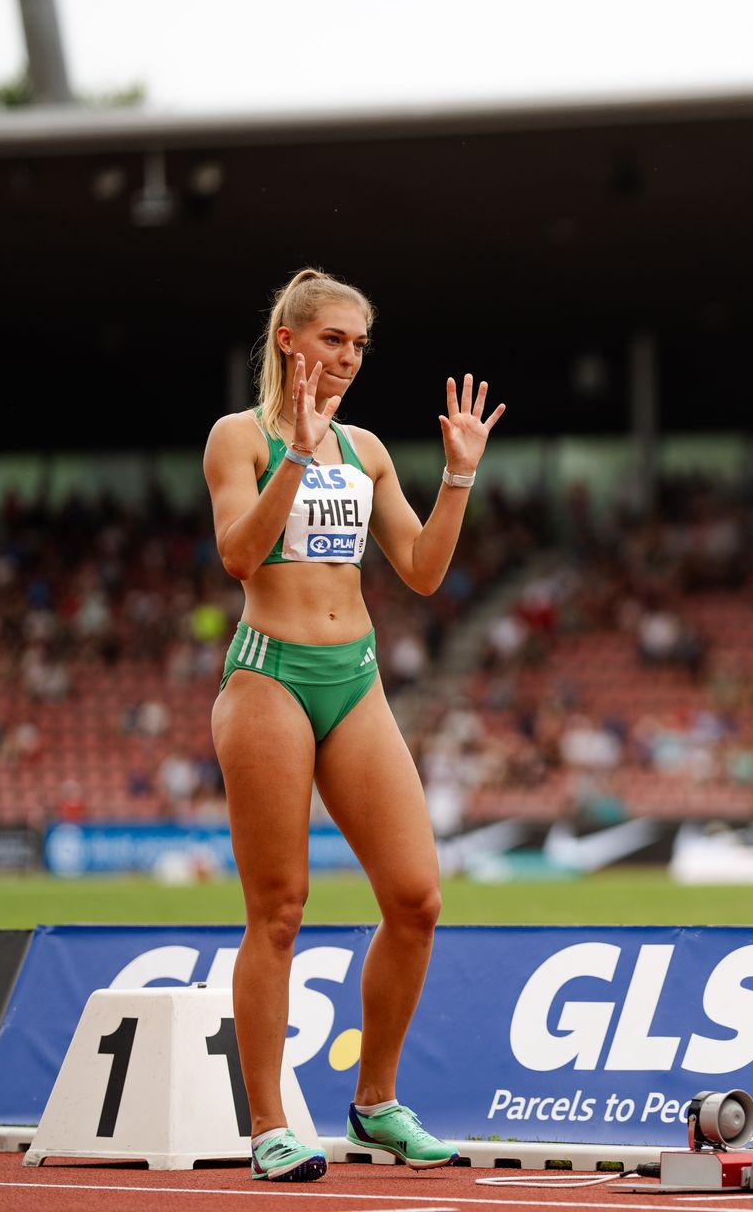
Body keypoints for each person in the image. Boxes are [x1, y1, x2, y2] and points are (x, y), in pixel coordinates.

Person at [202, 268, 506, 1182]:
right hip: (270, 680)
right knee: (280, 910)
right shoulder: (237, 438)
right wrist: (294, 454)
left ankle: (375, 1105)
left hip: (357, 678)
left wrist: (458, 474)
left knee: (416, 899)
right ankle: (267, 1125)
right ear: (289, 341)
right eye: (333, 340)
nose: (347, 359)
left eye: (360, 346)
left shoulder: (367, 450)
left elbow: (419, 569)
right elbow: (237, 555)